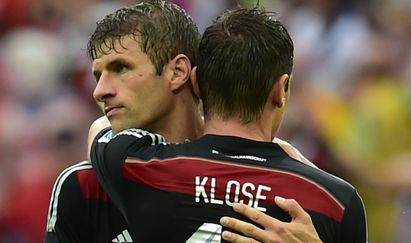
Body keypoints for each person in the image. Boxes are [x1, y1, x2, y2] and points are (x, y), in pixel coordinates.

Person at [45, 1, 321, 243]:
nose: (100, 91)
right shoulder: (82, 187)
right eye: (98, 75)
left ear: (177, 71)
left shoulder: (277, 192)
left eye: (121, 68)